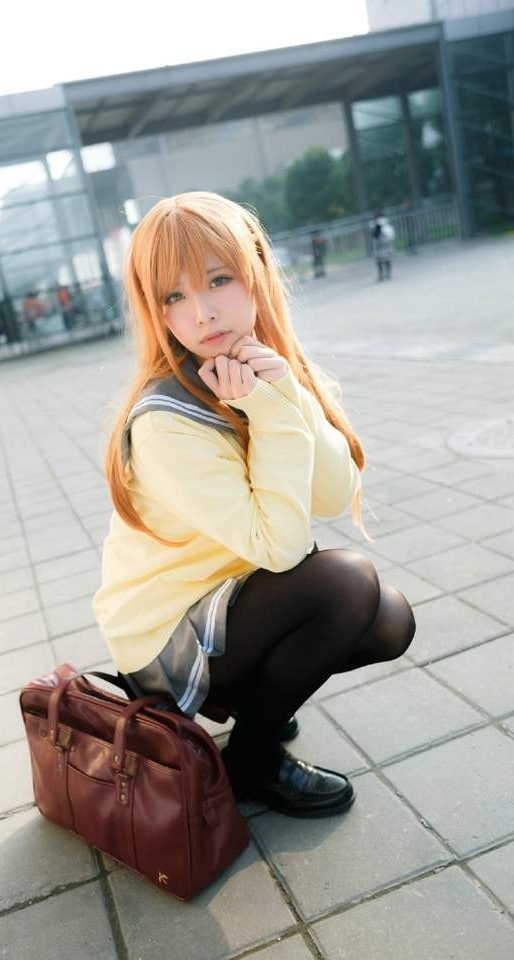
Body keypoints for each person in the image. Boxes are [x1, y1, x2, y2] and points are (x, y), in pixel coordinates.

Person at [92, 191, 415, 818]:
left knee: (390, 621)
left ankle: (251, 696)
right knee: (344, 584)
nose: (203, 312)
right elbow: (282, 548)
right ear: (156, 311)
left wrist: (288, 390)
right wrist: (270, 413)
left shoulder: (256, 365)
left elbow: (333, 491)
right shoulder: (165, 420)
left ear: (256, 274)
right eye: (174, 296)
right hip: (163, 634)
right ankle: (252, 758)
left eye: (219, 280)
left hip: (231, 593)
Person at [369, 210, 396, 281]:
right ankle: (385, 273)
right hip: (382, 245)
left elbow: (375, 235)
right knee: (383, 260)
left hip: (382, 244)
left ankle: (384, 274)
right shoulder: (377, 224)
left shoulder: (381, 223)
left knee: (382, 260)